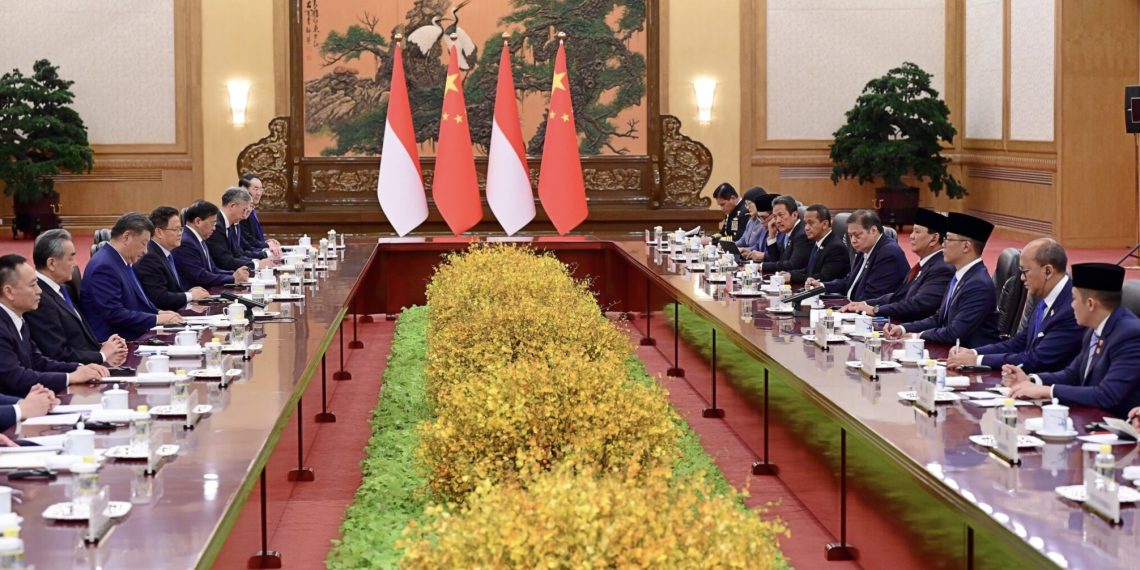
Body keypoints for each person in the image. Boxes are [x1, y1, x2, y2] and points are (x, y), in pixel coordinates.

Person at [1003, 263, 1140, 418]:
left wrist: (1047, 391)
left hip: (1117, 427)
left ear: (1090, 304)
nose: (1071, 305)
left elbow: (1107, 395)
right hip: (1090, 418)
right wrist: (1032, 380)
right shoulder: (1093, 329)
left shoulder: (1130, 335)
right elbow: (1072, 374)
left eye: (1074, 299)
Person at [946, 238, 1082, 372]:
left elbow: (1037, 359)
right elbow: (1019, 343)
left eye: (1025, 271)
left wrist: (977, 361)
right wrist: (973, 353)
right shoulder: (1045, 296)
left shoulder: (1071, 308)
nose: (1022, 278)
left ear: (1048, 271)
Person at [885, 212, 999, 346]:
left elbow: (955, 332)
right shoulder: (961, 276)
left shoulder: (978, 284)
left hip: (968, 357)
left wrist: (917, 336)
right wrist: (904, 328)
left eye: (948, 239)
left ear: (966, 246)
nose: (943, 244)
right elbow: (939, 318)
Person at [0, 254, 108, 395]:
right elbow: (16, 378)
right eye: (32, 285)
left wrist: (78, 368)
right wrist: (70, 377)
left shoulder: (17, 319)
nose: (39, 291)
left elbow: (37, 361)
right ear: (9, 292)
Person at [24, 229, 128, 365]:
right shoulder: (38, 299)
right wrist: (102, 355)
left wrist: (106, 346)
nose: (75, 264)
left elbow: (77, 339)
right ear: (51, 263)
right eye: (71, 258)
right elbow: (57, 354)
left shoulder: (63, 289)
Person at [80, 213, 185, 341]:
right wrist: (156, 319)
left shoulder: (121, 260)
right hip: (118, 342)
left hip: (133, 333)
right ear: (126, 237)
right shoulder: (104, 267)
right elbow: (114, 314)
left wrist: (159, 312)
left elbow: (136, 303)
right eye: (143, 243)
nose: (146, 251)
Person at [842, 208, 953, 321]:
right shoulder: (925, 264)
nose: (911, 236)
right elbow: (898, 296)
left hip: (914, 331)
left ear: (934, 239)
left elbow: (917, 304)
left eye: (917, 232)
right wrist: (865, 304)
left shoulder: (942, 267)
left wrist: (875, 310)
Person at [809, 209, 907, 301]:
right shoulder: (864, 249)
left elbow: (872, 297)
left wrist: (842, 310)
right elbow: (849, 282)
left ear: (873, 231)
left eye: (857, 235)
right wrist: (822, 286)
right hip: (855, 307)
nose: (853, 241)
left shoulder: (888, 253)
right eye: (850, 236)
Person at [133, 206, 211, 310]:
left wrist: (189, 292)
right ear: (159, 232)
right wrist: (191, 295)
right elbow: (160, 298)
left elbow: (172, 289)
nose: (180, 234)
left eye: (180, 229)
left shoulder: (165, 252)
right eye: (175, 229)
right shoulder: (149, 257)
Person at [174, 200, 251, 288]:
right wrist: (232, 278)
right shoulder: (186, 242)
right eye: (213, 223)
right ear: (198, 221)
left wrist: (235, 274)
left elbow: (212, 269)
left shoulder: (199, 239)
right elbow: (200, 276)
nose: (214, 228)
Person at [207, 188, 274, 271]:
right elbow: (224, 261)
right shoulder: (217, 226)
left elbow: (237, 254)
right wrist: (256, 264)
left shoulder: (228, 224)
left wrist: (256, 261)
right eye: (244, 210)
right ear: (232, 206)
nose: (245, 214)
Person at [782, 204, 849, 284]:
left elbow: (824, 277)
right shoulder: (818, 241)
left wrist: (793, 277)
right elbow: (810, 270)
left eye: (811, 223)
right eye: (806, 223)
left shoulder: (836, 248)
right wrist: (790, 274)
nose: (806, 228)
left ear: (824, 224)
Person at [760, 195, 810, 274]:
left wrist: (761, 266)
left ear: (794, 215)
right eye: (775, 217)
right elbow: (777, 260)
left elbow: (792, 265)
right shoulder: (788, 232)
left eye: (781, 215)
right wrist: (772, 236)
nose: (778, 221)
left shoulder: (802, 235)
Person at [238, 173, 282, 258]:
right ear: (244, 190)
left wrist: (266, 242)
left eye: (261, 189)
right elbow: (246, 242)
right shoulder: (242, 214)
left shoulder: (252, 210)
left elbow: (252, 238)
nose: (259, 193)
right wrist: (266, 246)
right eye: (256, 189)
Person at [735, 188, 772, 259]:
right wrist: (733, 246)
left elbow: (766, 251)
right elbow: (744, 240)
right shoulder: (752, 219)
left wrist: (750, 251)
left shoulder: (767, 222)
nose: (747, 207)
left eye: (749, 204)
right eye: (746, 204)